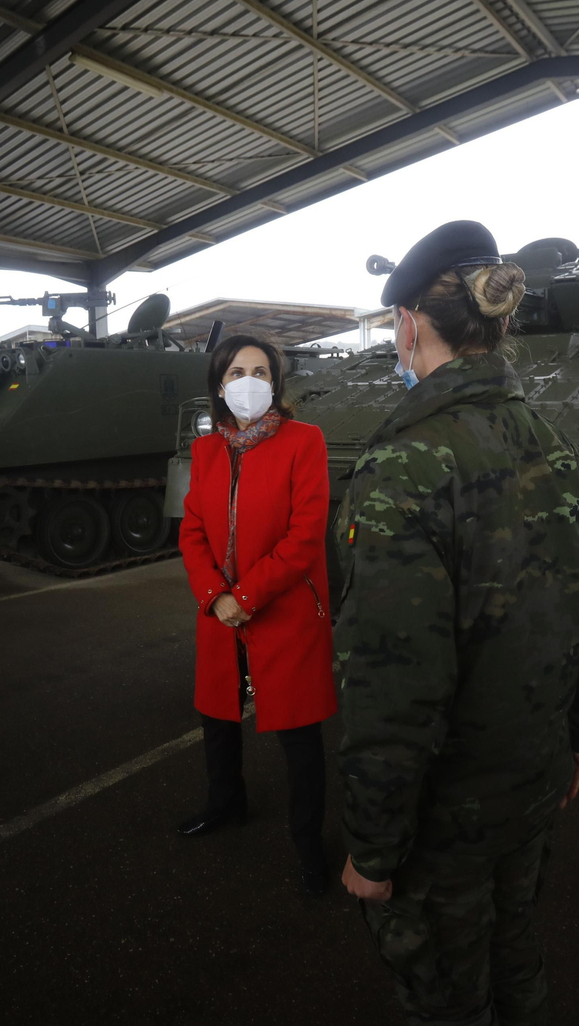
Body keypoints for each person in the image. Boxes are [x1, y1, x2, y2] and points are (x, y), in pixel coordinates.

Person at [333, 221, 579, 1024]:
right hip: (533, 783)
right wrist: (578, 738)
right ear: (497, 326)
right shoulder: (564, 453)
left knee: (444, 992)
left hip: (443, 817)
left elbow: (395, 686)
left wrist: (374, 844)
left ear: (409, 324)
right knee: (516, 951)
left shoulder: (402, 472)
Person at [177, 333, 337, 896]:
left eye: (262, 372)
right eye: (238, 371)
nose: (250, 381)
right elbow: (192, 529)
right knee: (218, 719)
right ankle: (226, 804)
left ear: (277, 382)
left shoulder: (304, 441)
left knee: (299, 736)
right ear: (220, 385)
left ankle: (308, 842)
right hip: (219, 611)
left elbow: (304, 536)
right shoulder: (205, 451)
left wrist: (245, 598)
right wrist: (216, 597)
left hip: (285, 608)